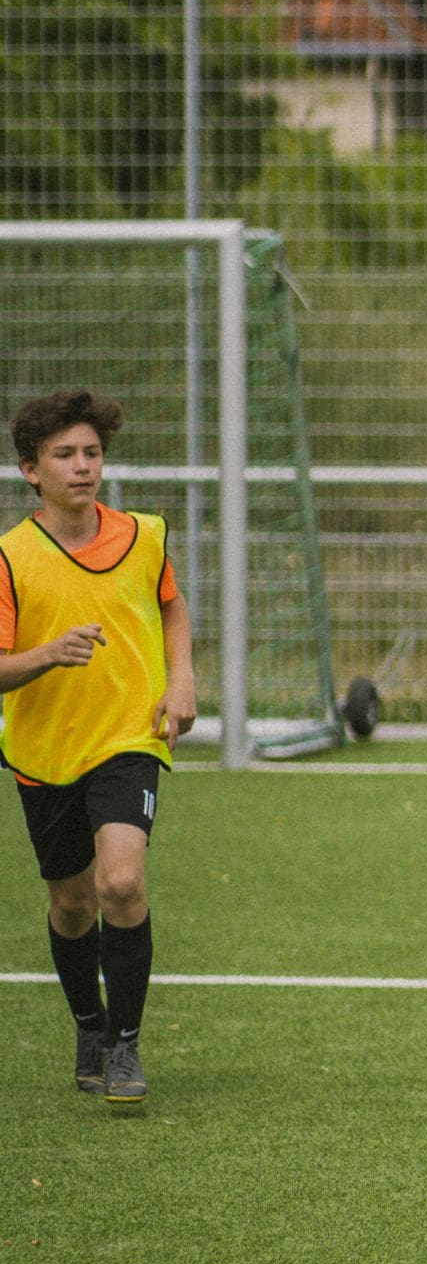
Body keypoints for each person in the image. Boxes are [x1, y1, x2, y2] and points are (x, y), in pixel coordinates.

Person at [0, 389, 196, 1110]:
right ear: (31, 470)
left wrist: (182, 679)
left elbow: (170, 604)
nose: (83, 466)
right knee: (73, 904)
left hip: (128, 738)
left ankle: (125, 1043)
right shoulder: (10, 558)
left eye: (92, 452)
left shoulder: (145, 535)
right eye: (64, 455)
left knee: (120, 882)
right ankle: (89, 1025)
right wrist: (47, 654)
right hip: (45, 752)